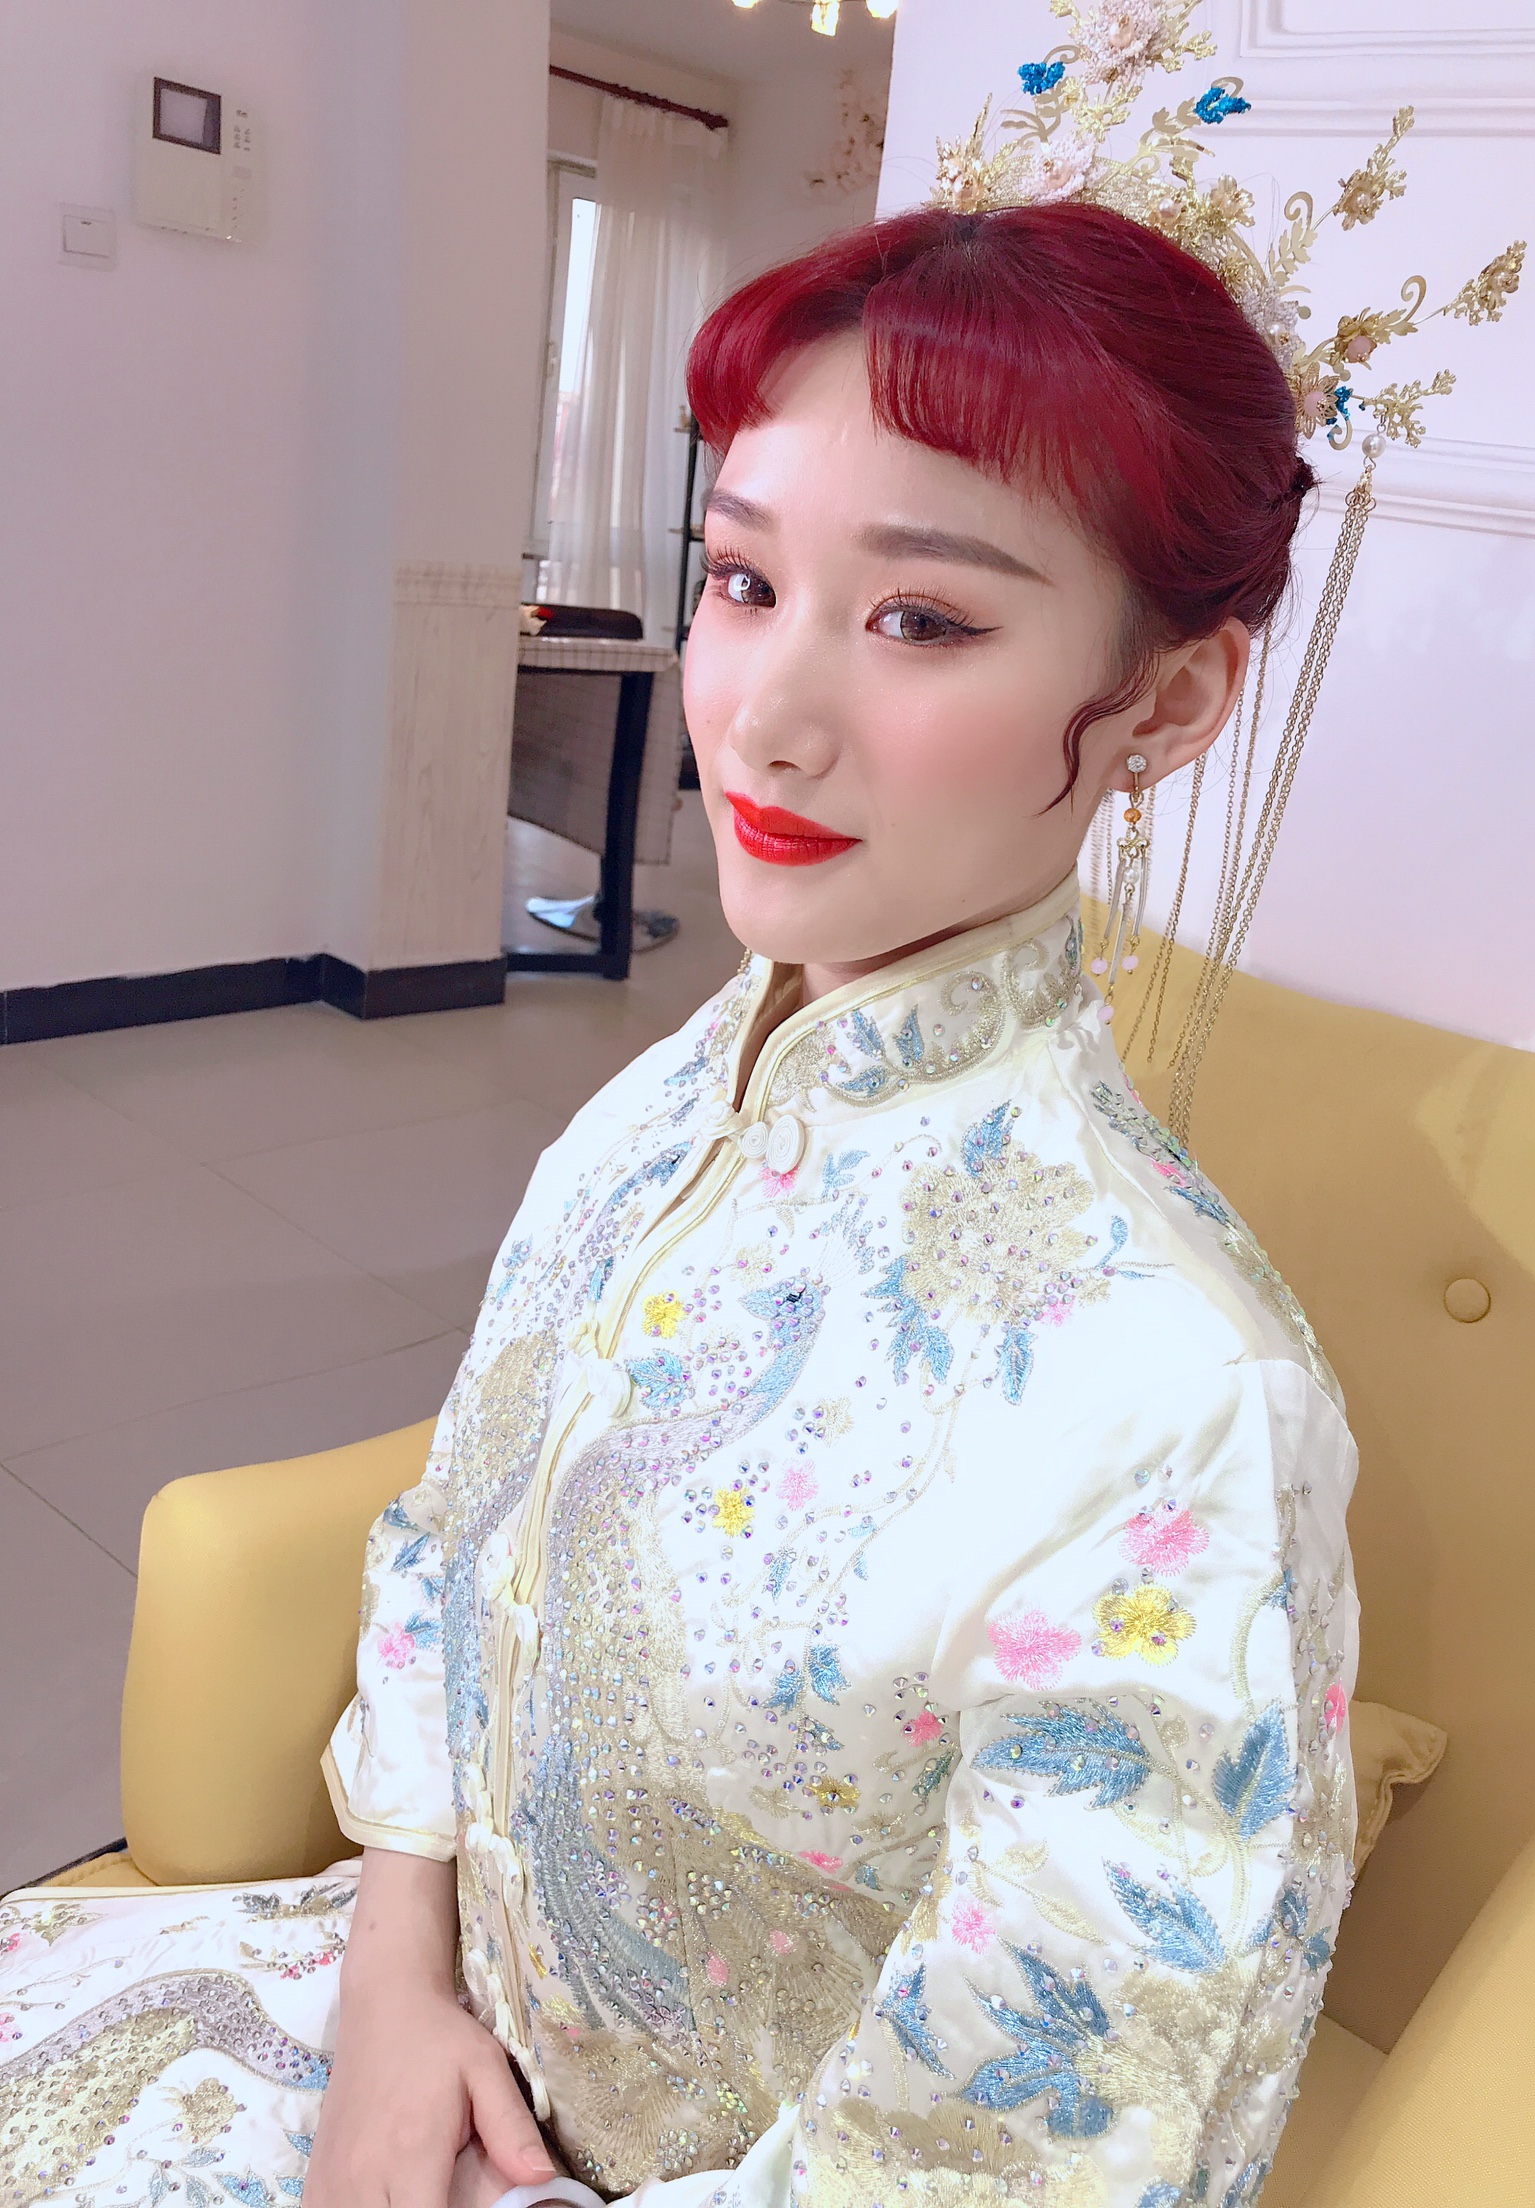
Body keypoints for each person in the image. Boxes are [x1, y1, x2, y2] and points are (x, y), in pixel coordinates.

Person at [0, 200, 1357, 2208]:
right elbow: (455, 1540)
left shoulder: (1178, 1405)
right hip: (391, 2023)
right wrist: (393, 1995)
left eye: (923, 619)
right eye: (743, 579)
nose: (762, 717)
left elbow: (1020, 2158)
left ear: (1166, 705)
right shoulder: (659, 1106)